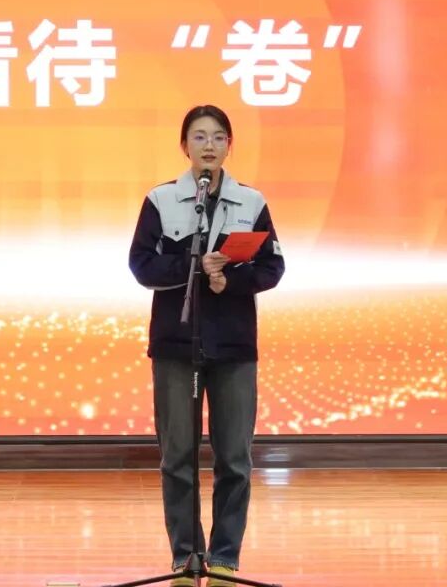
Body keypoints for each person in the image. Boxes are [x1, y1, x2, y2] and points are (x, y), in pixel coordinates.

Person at [128, 104, 285, 587]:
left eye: (218, 137)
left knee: (234, 457)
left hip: (234, 346)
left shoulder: (251, 201)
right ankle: (185, 557)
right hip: (176, 344)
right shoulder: (162, 200)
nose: (209, 145)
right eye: (199, 137)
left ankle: (223, 559)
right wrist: (195, 267)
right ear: (185, 146)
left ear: (229, 145)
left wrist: (228, 281)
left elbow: (272, 268)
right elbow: (141, 265)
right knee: (177, 457)